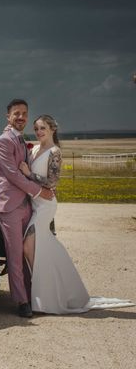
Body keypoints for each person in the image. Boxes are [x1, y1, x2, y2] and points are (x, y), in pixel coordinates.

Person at [19, 115, 133, 314]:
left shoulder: (55, 152)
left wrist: (29, 174)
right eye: (36, 128)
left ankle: (43, 293)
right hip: (34, 203)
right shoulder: (35, 149)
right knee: (44, 247)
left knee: (28, 246)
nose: (38, 132)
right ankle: (49, 291)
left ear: (52, 129)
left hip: (45, 205)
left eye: (42, 128)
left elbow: (51, 183)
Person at [0, 99, 54, 318]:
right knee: (15, 255)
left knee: (30, 252)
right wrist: (40, 192)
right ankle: (22, 302)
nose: (21, 117)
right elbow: (13, 176)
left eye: (24, 114)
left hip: (26, 205)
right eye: (16, 113)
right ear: (8, 117)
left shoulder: (20, 139)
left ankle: (33, 295)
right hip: (9, 206)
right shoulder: (2, 142)